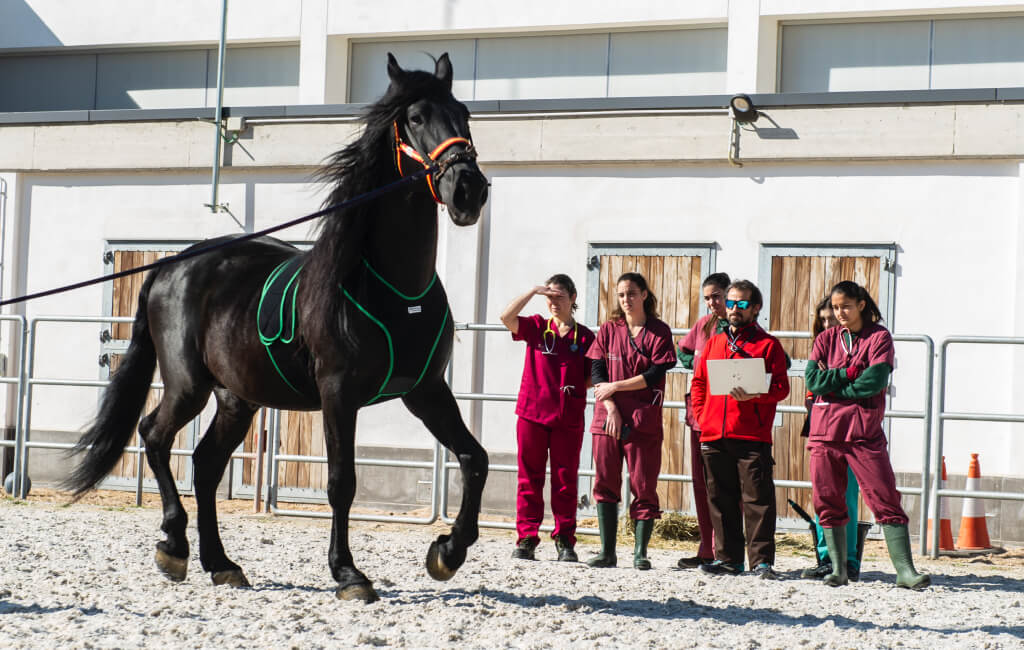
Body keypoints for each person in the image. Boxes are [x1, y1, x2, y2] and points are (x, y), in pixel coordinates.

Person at [805, 281, 930, 589]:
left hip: (863, 431)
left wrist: (834, 386)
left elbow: (873, 382)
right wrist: (846, 376)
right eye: (835, 308)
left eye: (845, 306)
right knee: (827, 499)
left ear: (861, 304)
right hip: (824, 432)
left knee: (884, 495)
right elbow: (811, 379)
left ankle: (904, 570)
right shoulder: (825, 338)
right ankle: (837, 568)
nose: (840, 313)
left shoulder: (879, 337)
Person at [691, 279, 790, 579]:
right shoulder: (714, 342)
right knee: (720, 499)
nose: (734, 309)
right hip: (714, 433)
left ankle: (761, 561)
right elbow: (699, 383)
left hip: (751, 435)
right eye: (731, 303)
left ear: (755, 307)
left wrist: (756, 395)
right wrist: (701, 417)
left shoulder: (768, 344)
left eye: (741, 303)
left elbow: (782, 387)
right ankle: (728, 559)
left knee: (757, 499)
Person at [500, 275, 596, 562]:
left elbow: (593, 374)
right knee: (529, 477)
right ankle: (527, 537)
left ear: (573, 298)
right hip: (532, 413)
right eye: (550, 297)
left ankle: (565, 539)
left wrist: (575, 389)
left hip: (568, 416)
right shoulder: (537, 327)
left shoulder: (585, 336)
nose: (554, 302)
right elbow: (506, 317)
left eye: (560, 296)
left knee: (566, 479)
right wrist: (531, 290)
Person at [585, 272, 676, 569]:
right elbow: (597, 373)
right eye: (622, 294)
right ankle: (607, 551)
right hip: (607, 418)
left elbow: (655, 374)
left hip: (642, 419)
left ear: (645, 295)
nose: (626, 299)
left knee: (643, 485)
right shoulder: (609, 329)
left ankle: (640, 553)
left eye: (632, 293)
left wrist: (617, 386)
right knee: (604, 482)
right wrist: (609, 403)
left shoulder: (659, 331)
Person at [799, 296, 865, 581]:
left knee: (846, 496)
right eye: (823, 320)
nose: (828, 324)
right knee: (823, 496)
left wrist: (833, 380)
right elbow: (812, 390)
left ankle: (848, 559)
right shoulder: (820, 352)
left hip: (849, 430)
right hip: (821, 430)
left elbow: (856, 383)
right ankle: (826, 557)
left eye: (832, 318)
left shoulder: (855, 349)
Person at [675, 272, 730, 569]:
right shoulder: (703, 325)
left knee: (724, 485)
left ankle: (727, 550)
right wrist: (695, 367)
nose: (712, 303)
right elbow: (683, 351)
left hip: (729, 416)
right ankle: (706, 548)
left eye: (717, 296)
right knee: (701, 483)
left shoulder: (737, 324)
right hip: (700, 414)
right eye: (708, 298)